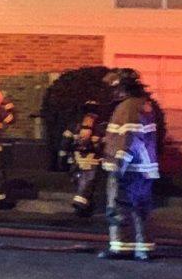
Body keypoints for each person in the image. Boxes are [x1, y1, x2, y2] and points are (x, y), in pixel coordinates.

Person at [98, 68, 159, 260]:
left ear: (122, 87)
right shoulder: (143, 105)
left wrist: (119, 165)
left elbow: (128, 137)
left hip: (127, 168)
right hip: (144, 169)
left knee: (117, 206)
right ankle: (144, 248)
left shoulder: (127, 107)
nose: (113, 93)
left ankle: (120, 247)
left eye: (114, 88)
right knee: (140, 208)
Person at [60, 98, 108, 217]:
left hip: (77, 160)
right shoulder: (102, 126)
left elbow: (65, 143)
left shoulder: (74, 126)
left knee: (82, 184)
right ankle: (83, 206)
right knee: (86, 184)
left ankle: (82, 206)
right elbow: (106, 144)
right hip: (92, 161)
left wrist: (62, 158)